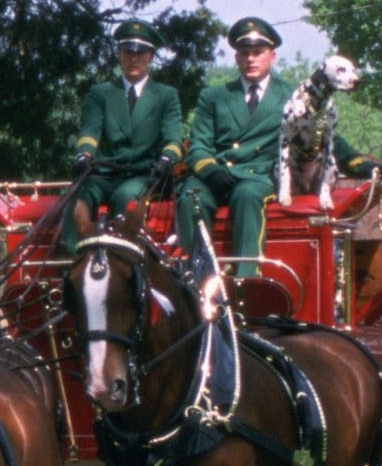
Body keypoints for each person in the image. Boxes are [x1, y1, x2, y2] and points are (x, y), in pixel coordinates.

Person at [176, 16, 289, 274]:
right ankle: (195, 278)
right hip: (215, 174)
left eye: (258, 52)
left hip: (257, 175)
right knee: (191, 197)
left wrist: (355, 162)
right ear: (237, 58)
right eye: (244, 53)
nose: (251, 59)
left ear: (272, 56)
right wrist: (210, 170)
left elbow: (318, 132)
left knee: (247, 196)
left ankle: (246, 279)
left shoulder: (290, 95)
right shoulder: (214, 96)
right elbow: (199, 145)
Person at [68, 19, 184, 245]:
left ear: (151, 57)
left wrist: (167, 158)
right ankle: (70, 258)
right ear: (119, 54)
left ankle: (124, 264)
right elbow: (90, 132)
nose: (134, 58)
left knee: (125, 198)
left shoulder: (166, 96)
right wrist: (84, 155)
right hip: (104, 171)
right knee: (79, 193)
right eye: (128, 52)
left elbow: (173, 138)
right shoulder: (100, 93)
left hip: (142, 173)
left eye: (141, 53)